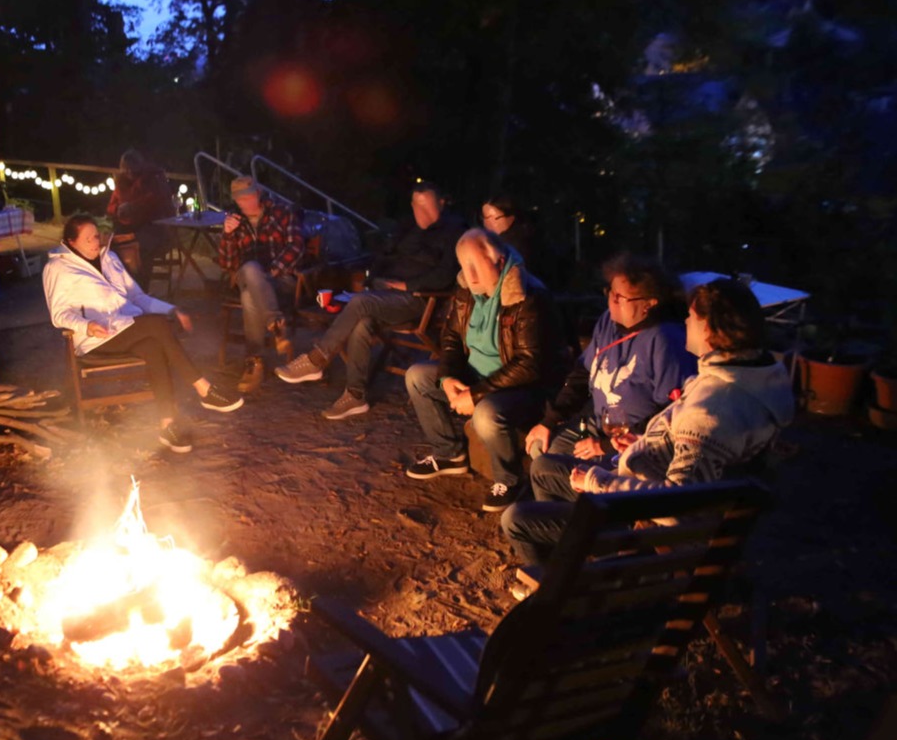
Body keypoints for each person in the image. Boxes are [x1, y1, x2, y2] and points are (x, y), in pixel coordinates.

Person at [500, 277, 795, 567]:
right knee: (544, 468)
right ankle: (575, 559)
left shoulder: (711, 410)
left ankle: (559, 589)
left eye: (691, 317)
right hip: (659, 491)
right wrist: (646, 443)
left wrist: (598, 483)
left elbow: (674, 507)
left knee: (514, 519)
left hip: (645, 528)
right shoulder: (752, 378)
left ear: (708, 329)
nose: (685, 323)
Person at [44, 213, 244, 453]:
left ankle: (167, 425)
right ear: (71, 242)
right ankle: (203, 388)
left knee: (154, 346)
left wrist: (172, 309)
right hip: (96, 338)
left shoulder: (109, 258)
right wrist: (86, 326)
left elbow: (137, 297)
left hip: (126, 326)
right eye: (88, 239)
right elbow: (58, 314)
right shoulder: (58, 268)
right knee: (157, 326)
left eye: (96, 236)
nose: (95, 242)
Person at [403, 228, 566, 512]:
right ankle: (449, 454)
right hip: (476, 376)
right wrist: (448, 377)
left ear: (500, 262)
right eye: (466, 267)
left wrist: (477, 395)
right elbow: (452, 338)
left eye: (478, 266)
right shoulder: (467, 289)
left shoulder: (528, 297)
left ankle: (509, 479)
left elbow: (530, 364)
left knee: (486, 413)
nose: (471, 275)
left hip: (523, 387)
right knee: (418, 377)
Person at [275, 182, 465, 419]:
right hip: (385, 294)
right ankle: (355, 396)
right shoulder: (406, 228)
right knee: (363, 321)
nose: (422, 213)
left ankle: (317, 359)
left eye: (428, 207)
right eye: (417, 206)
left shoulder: (454, 232)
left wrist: (407, 286)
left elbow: (446, 275)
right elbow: (384, 255)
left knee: (361, 303)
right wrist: (373, 279)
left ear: (441, 203)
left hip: (419, 299)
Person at [524, 253, 696, 502]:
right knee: (544, 449)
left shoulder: (665, 340)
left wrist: (603, 445)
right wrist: (550, 421)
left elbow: (669, 415)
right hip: (598, 424)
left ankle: (583, 524)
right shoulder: (608, 322)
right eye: (610, 292)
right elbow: (583, 374)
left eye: (619, 297)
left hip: (635, 443)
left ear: (649, 303)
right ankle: (562, 522)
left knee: (549, 470)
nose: (610, 302)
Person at [216, 176, 305, 393]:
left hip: (280, 280)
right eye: (241, 199)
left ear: (258, 194)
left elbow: (297, 246)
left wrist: (274, 268)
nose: (247, 202)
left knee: (249, 297)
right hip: (248, 277)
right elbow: (226, 264)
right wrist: (227, 235)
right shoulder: (235, 222)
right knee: (250, 268)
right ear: (236, 201)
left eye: (250, 196)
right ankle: (276, 325)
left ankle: (254, 362)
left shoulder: (282, 213)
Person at [106, 149, 176, 292]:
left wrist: (134, 207)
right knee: (112, 246)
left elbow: (156, 202)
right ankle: (120, 287)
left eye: (133, 169)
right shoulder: (121, 184)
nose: (130, 172)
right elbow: (110, 207)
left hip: (154, 229)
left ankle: (141, 290)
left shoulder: (153, 180)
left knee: (140, 247)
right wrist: (118, 209)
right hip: (128, 228)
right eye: (126, 169)